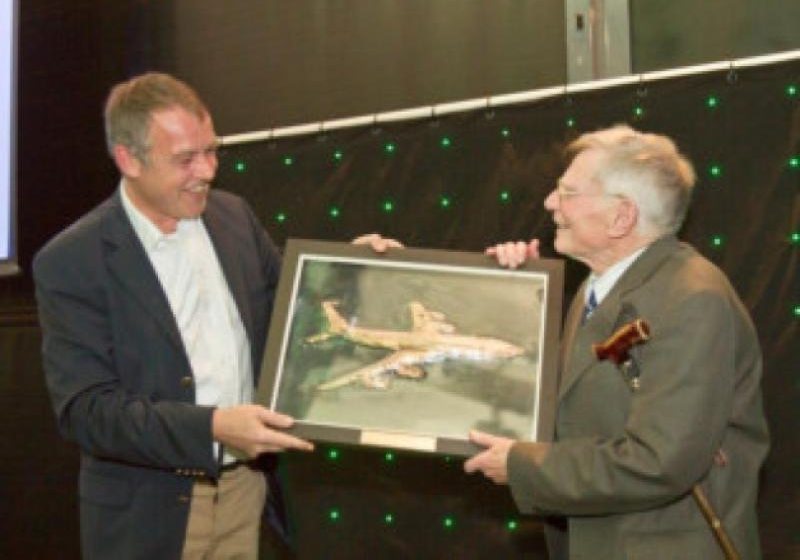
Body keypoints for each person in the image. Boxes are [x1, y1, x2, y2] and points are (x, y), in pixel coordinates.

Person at [32, 72, 397, 560]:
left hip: (245, 494)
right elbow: (86, 412)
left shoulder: (233, 217)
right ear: (128, 159)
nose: (207, 170)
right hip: (148, 513)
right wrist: (212, 428)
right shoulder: (73, 259)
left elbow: (292, 305)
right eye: (185, 159)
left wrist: (344, 270)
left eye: (212, 151)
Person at [464, 125, 769, 559]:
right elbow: (568, 406)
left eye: (567, 192)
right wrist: (516, 297)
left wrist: (524, 465)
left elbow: (660, 461)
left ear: (621, 217)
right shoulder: (597, 287)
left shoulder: (693, 299)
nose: (550, 203)